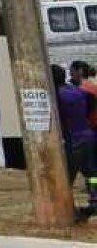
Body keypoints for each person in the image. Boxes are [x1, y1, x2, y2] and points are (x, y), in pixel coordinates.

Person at [54, 65, 97, 214]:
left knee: (66, 176)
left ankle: (64, 209)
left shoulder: (56, 95)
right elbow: (91, 104)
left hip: (73, 140)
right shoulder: (77, 90)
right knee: (91, 172)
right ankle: (94, 201)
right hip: (89, 135)